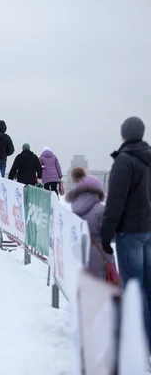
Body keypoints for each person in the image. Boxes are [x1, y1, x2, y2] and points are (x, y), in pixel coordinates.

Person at [100, 116, 151, 346]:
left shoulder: (124, 161)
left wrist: (106, 233)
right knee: (147, 285)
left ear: (123, 135)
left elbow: (115, 202)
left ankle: (138, 343)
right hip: (149, 230)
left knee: (134, 288)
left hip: (131, 232)